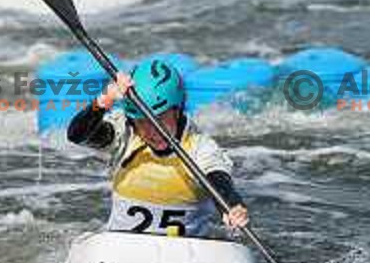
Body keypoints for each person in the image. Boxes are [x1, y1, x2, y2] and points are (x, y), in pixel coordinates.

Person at [67, 58, 249, 237]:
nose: (151, 131)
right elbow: (78, 135)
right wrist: (104, 99)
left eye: (159, 120)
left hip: (187, 255)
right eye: (142, 122)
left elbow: (219, 181)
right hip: (121, 253)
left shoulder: (200, 146)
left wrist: (233, 206)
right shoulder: (126, 132)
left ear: (177, 110)